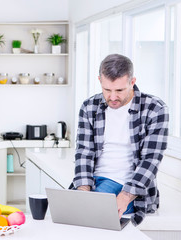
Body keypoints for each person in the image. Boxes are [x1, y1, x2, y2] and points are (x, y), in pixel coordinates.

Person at [72, 54, 169, 226]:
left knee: (91, 220)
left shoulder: (155, 109)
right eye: (107, 90)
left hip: (128, 186)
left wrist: (125, 197)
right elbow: (83, 153)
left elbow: (151, 160)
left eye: (119, 90)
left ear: (132, 82)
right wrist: (83, 192)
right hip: (94, 180)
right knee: (67, 214)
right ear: (99, 80)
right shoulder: (90, 106)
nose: (113, 97)